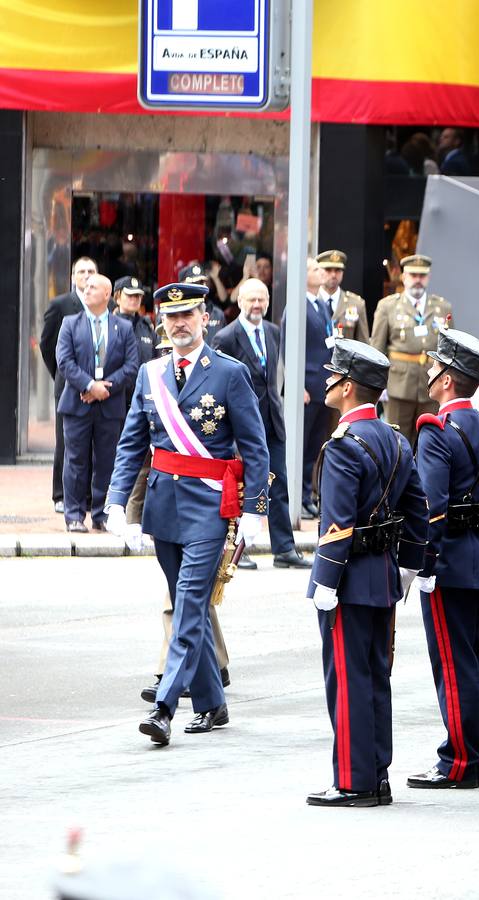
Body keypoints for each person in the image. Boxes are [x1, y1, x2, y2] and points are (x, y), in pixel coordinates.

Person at [105, 283, 270, 746]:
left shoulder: (229, 373)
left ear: (204, 319)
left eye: (187, 315)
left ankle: (163, 707)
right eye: (170, 316)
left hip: (208, 507)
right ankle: (213, 702)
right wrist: (117, 502)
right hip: (163, 506)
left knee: (189, 606)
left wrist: (256, 509)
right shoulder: (150, 374)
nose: (178, 324)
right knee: (185, 604)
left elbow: (255, 447)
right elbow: (132, 442)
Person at [305, 340, 429, 807]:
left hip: (350, 579)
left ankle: (354, 780)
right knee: (375, 676)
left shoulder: (343, 446)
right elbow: (417, 511)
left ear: (349, 387)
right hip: (381, 576)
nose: (326, 383)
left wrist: (324, 582)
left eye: (333, 376)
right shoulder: (396, 439)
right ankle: (376, 773)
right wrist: (409, 568)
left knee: (349, 678)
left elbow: (337, 526)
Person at [407, 328, 479, 791]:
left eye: (435, 367)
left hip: (449, 560)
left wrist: (424, 565)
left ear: (447, 379)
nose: (429, 372)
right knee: (478, 655)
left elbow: (432, 507)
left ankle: (459, 760)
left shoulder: (436, 430)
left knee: (454, 661)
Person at [210, 278, 310, 569]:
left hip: (271, 421)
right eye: (251, 300)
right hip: (241, 425)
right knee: (241, 487)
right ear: (239, 302)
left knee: (277, 483)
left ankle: (284, 549)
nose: (257, 305)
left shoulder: (273, 332)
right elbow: (220, 382)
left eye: (262, 300)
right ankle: (237, 550)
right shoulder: (226, 337)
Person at [55, 274, 140, 533]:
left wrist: (104, 389)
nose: (87, 290)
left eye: (93, 287)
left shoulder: (123, 328)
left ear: (107, 294)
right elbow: (64, 361)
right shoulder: (70, 323)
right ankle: (74, 515)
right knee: (76, 461)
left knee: (107, 461)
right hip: (77, 403)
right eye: (86, 286)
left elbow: (131, 365)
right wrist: (90, 386)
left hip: (109, 404)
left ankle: (101, 514)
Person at [370, 254, 455, 443]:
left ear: (428, 277)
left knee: (430, 440)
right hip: (398, 384)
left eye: (422, 275)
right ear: (403, 277)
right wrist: (377, 385)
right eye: (413, 275)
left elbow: (450, 350)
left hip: (432, 386)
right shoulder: (388, 306)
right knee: (396, 441)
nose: (418, 280)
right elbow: (377, 350)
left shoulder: (442, 307)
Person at [42, 256, 99, 514]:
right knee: (65, 442)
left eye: (91, 271)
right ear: (73, 276)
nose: (86, 275)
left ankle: (86, 496)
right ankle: (60, 495)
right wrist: (61, 375)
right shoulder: (61, 305)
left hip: (96, 387)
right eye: (82, 271)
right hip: (67, 385)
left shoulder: (101, 306)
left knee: (91, 443)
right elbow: (47, 346)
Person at [296, 256, 332, 518]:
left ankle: (308, 495)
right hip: (307, 387)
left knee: (315, 446)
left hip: (323, 385)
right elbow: (291, 347)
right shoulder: (298, 306)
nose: (321, 272)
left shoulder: (321, 304)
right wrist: (297, 386)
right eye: (315, 269)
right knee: (302, 444)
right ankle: (297, 497)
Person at [317, 250, 370, 344]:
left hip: (345, 358)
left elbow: (363, 345)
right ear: (319, 271)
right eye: (328, 270)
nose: (333, 275)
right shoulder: (311, 302)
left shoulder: (356, 304)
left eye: (337, 270)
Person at [112, 276, 155, 375]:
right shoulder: (109, 325)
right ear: (118, 297)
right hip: (118, 387)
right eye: (130, 295)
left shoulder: (147, 326)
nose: (135, 299)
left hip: (145, 387)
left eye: (138, 295)